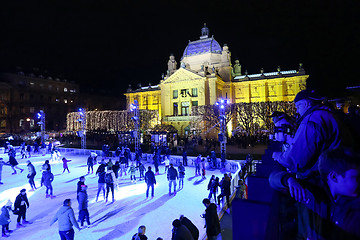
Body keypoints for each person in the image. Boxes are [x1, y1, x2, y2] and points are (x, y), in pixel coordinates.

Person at [318, 148, 360, 239]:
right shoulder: (319, 197)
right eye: (355, 178)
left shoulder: (355, 214)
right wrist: (288, 180)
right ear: (334, 177)